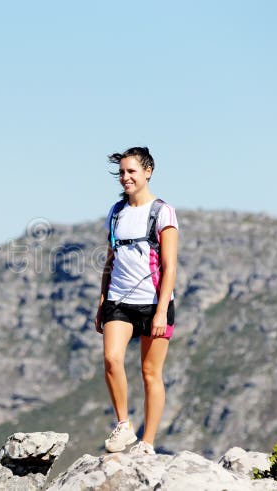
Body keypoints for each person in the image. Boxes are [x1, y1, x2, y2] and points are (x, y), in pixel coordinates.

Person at [95, 147, 178, 456]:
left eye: (131, 171)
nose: (125, 177)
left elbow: (170, 265)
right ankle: (123, 425)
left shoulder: (162, 211)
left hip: (154, 302)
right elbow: (109, 259)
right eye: (122, 172)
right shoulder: (116, 212)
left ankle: (148, 442)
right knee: (112, 359)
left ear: (148, 172)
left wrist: (160, 313)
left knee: (150, 372)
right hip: (119, 299)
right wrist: (102, 301)